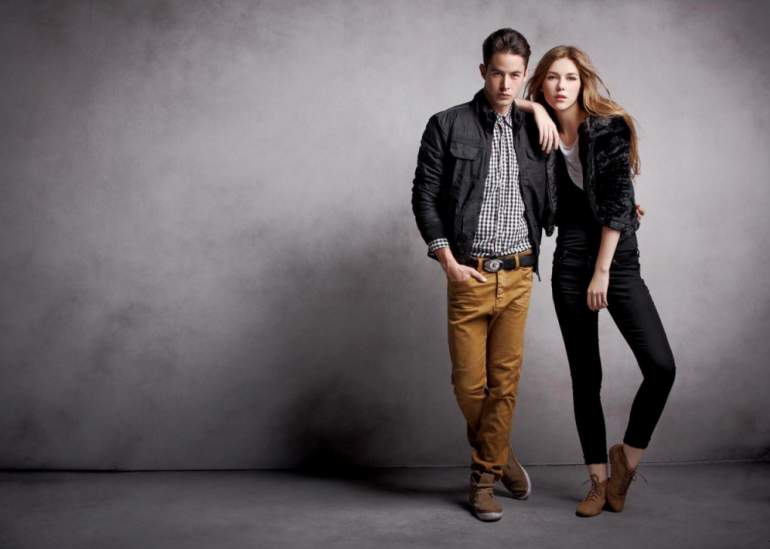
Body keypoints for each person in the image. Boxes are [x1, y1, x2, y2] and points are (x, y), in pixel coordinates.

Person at [411, 28, 558, 522]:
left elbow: (568, 185)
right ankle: (502, 456)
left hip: (518, 275)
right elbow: (424, 195)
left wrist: (621, 209)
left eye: (515, 75)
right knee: (468, 385)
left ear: (525, 75)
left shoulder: (538, 127)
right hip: (468, 275)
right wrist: (447, 260)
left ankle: (483, 481)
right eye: (497, 73)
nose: (505, 84)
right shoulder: (446, 124)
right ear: (482, 71)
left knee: (504, 384)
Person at [524, 46, 676, 517]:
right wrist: (532, 108)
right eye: (552, 77)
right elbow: (490, 101)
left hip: (616, 259)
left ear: (583, 82)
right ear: (541, 83)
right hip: (570, 257)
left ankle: (625, 462)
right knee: (586, 377)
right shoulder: (536, 128)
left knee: (661, 367)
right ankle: (597, 481)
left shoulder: (608, 127)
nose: (561, 86)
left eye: (570, 77)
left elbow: (614, 203)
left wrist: (603, 272)